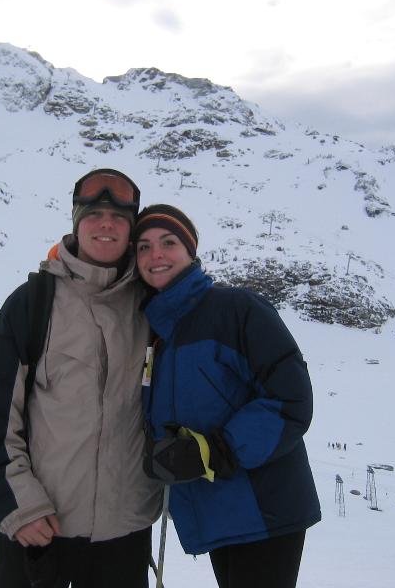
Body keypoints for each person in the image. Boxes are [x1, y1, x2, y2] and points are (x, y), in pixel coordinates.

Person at [0, 169, 161, 588]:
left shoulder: (154, 306)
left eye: (119, 217)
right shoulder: (32, 303)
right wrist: (18, 505)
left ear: (131, 229)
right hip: (39, 529)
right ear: (76, 223)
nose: (106, 224)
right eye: (94, 214)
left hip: (125, 537)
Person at [134, 204, 321, 588]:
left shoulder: (235, 309)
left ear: (191, 251)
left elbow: (290, 400)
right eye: (144, 247)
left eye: (168, 243)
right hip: (220, 510)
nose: (156, 255)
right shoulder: (156, 332)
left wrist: (211, 451)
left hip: (264, 506)